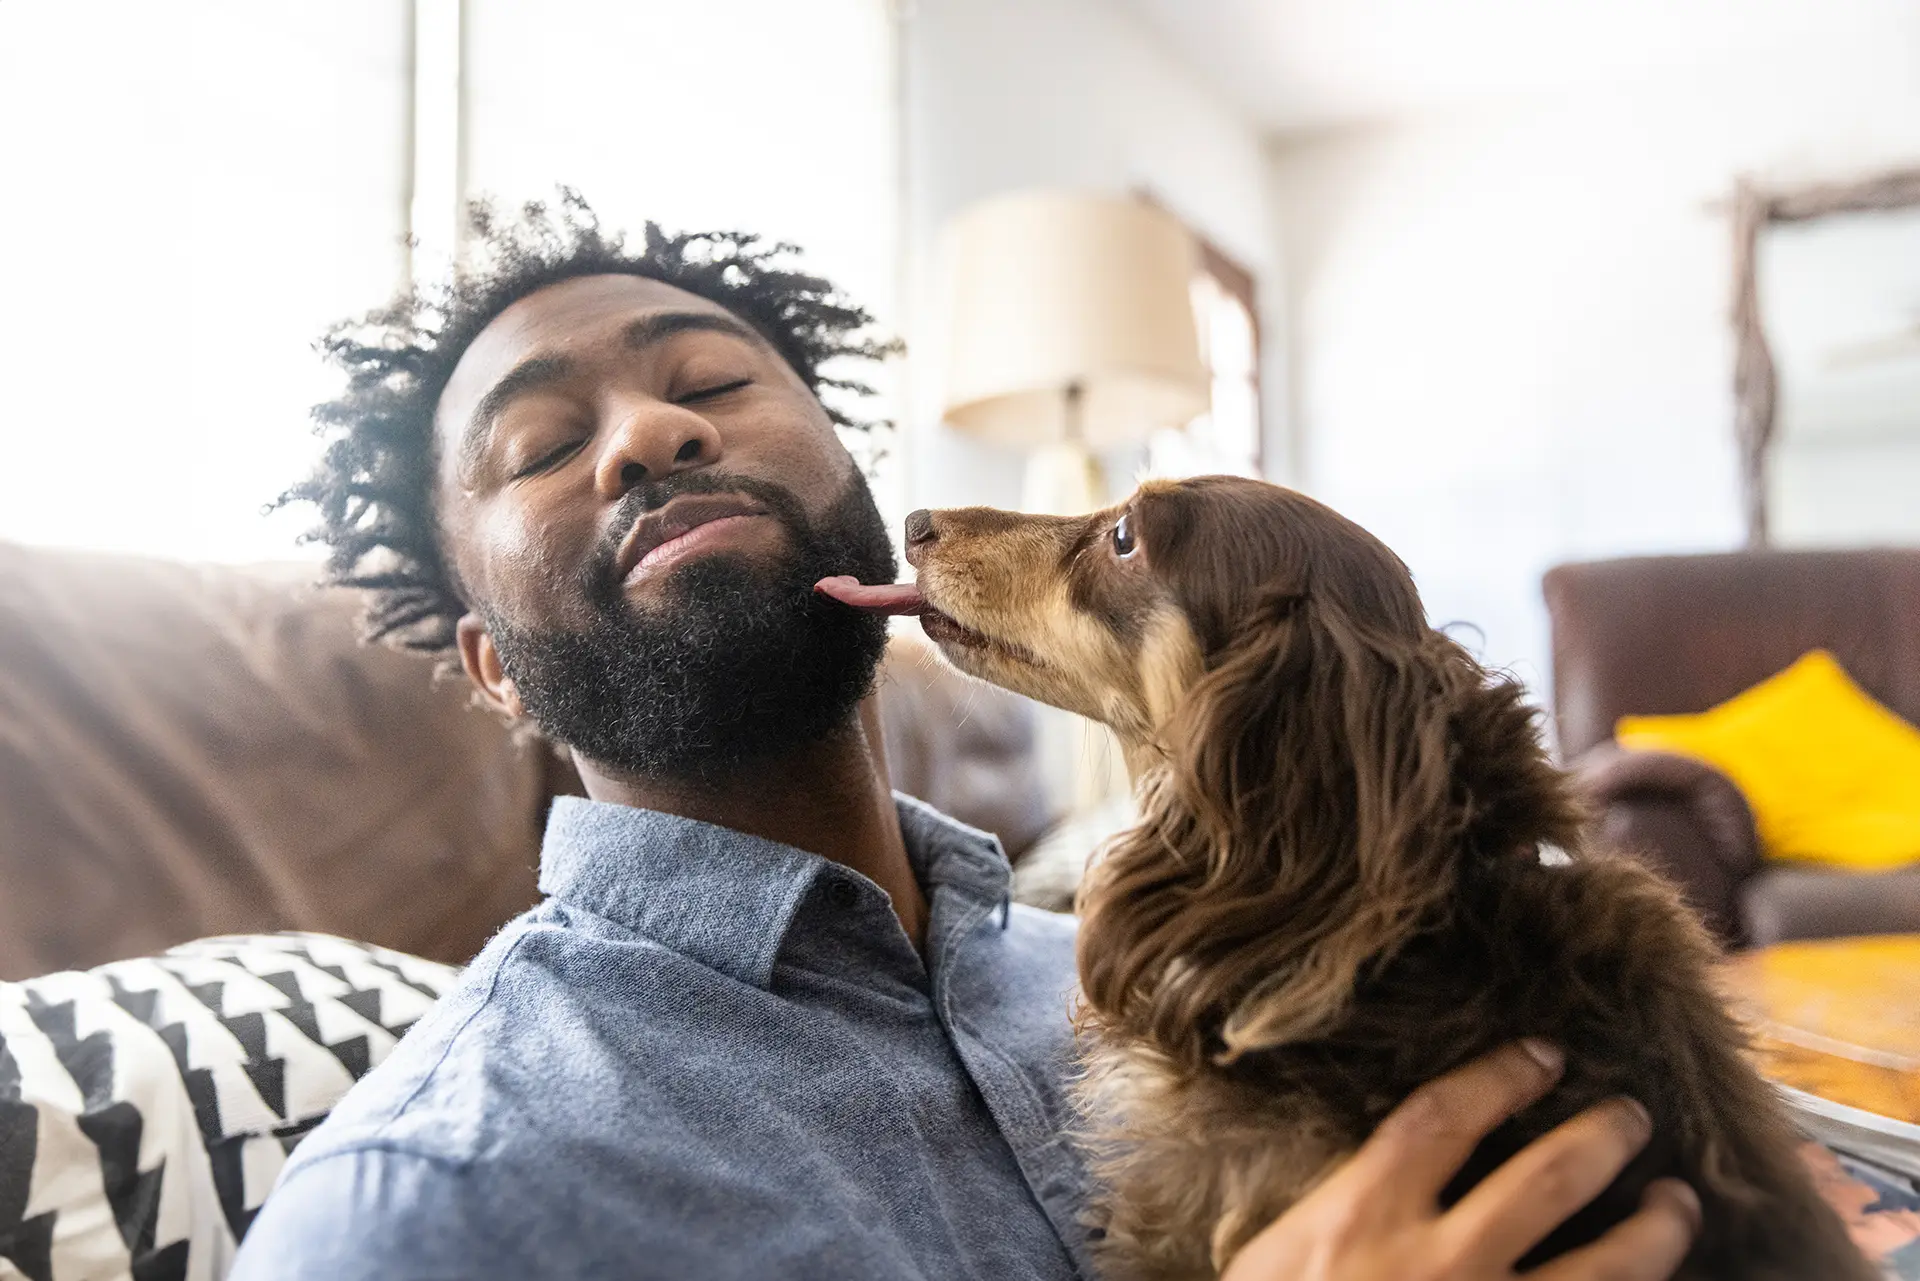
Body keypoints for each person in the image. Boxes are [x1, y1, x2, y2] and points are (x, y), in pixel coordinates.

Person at [229, 192, 1699, 1281]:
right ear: (494, 670)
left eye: (712, 386)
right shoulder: (420, 1211)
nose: (648, 438)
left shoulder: (1196, 974)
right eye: (545, 446)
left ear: (857, 491)